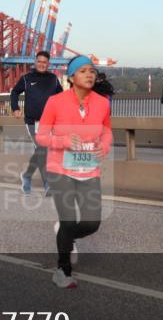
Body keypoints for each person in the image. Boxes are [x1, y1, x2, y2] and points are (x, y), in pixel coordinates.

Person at [36, 55, 113, 289]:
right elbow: (41, 136)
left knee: (92, 224)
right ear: (71, 77)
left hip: (89, 169)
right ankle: (62, 271)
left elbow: (107, 131)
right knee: (69, 220)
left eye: (92, 71)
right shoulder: (55, 102)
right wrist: (63, 140)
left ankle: (66, 235)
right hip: (60, 169)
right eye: (83, 71)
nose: (90, 74)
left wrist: (104, 145)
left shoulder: (102, 102)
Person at [10, 50, 64, 194]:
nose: (41, 64)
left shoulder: (53, 79)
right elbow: (14, 92)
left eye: (44, 62)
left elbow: (61, 96)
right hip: (33, 121)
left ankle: (27, 176)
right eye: (39, 61)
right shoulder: (27, 78)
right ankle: (48, 184)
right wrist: (15, 108)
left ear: (48, 64)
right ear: (35, 62)